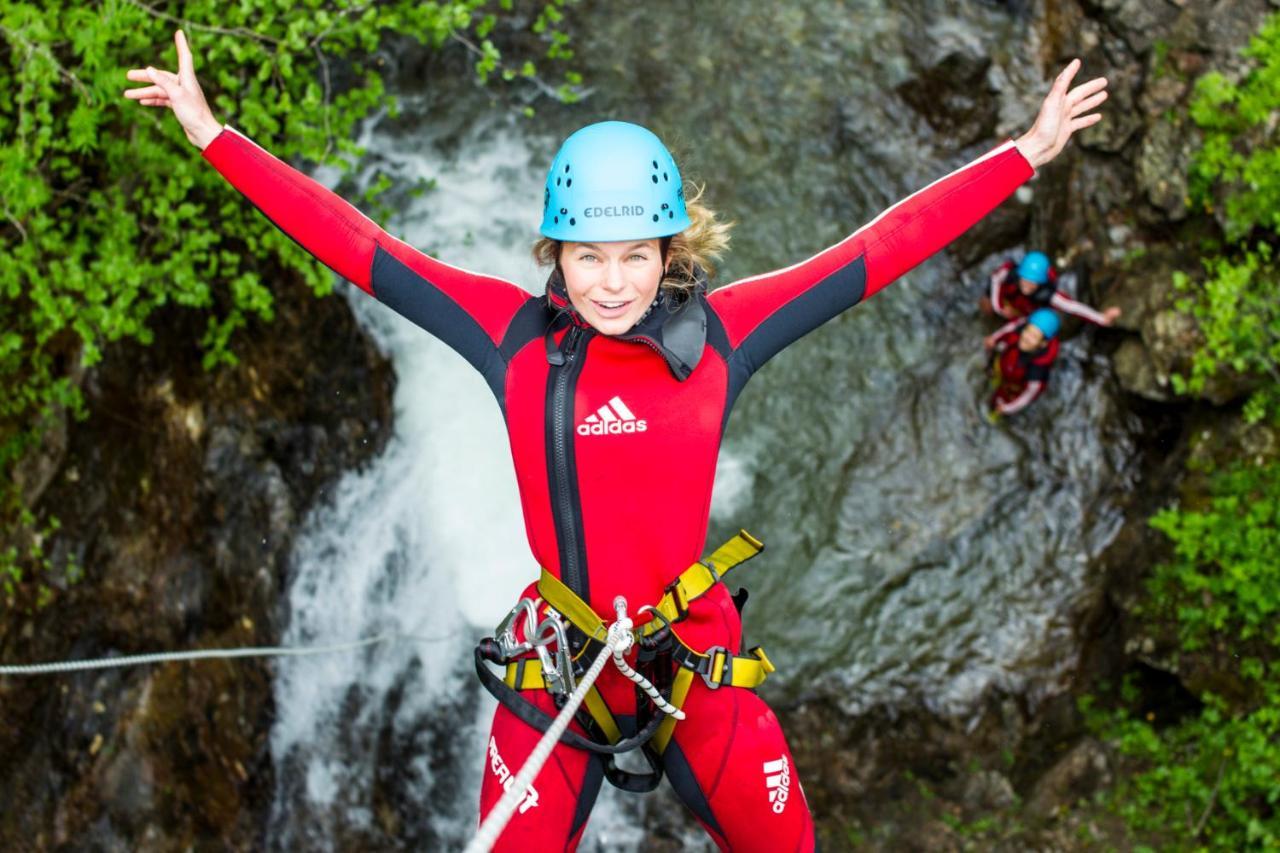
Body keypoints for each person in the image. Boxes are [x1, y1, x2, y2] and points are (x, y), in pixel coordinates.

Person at [126, 29, 1108, 852]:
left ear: (670, 251)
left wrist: (1022, 152)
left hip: (695, 666)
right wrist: (214, 136)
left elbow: (874, 250)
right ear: (553, 253)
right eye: (587, 256)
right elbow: (360, 245)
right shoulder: (507, 335)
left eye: (634, 255)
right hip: (558, 664)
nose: (609, 281)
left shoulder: (727, 333)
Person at [982, 250, 1122, 326]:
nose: (1027, 286)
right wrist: (999, 307)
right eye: (1026, 279)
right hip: (1008, 299)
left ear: (1041, 282)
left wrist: (1100, 318)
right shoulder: (1009, 273)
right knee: (986, 306)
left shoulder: (1049, 295)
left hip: (1025, 311)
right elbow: (995, 280)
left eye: (1033, 282)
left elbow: (1073, 307)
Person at [985, 308, 1062, 418]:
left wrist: (1007, 408)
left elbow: (1027, 397)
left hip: (1015, 387)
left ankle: (993, 417)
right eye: (1028, 331)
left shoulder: (1037, 372)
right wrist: (993, 338)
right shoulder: (1020, 328)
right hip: (1005, 366)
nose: (1026, 338)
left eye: (1034, 337)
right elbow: (1009, 328)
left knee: (995, 405)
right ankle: (996, 380)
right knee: (993, 375)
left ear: (1043, 343)